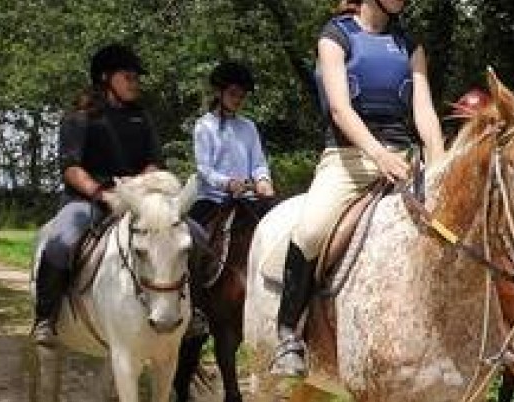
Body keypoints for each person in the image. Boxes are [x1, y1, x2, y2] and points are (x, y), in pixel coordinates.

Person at [270, 0, 446, 377]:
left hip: (404, 159)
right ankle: (288, 333)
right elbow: (340, 110)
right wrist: (379, 155)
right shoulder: (335, 36)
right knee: (312, 230)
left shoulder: (409, 44)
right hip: (348, 160)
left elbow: (424, 111)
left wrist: (439, 162)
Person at [31, 44, 164, 345]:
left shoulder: (141, 117)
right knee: (61, 241)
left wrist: (136, 187)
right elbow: (71, 168)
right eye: (128, 76)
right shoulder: (79, 117)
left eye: (136, 77)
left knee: (190, 234)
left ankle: (192, 314)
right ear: (106, 78)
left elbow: (154, 162)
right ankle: (46, 318)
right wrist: (102, 193)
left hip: (136, 199)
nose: (135, 82)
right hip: (87, 200)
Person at [191, 61, 276, 225]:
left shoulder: (248, 126)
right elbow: (204, 169)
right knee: (192, 237)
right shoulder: (204, 125)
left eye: (242, 96)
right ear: (218, 92)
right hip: (213, 200)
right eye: (233, 94)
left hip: (246, 199)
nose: (238, 99)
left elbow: (258, 163)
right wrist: (228, 183)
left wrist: (263, 181)